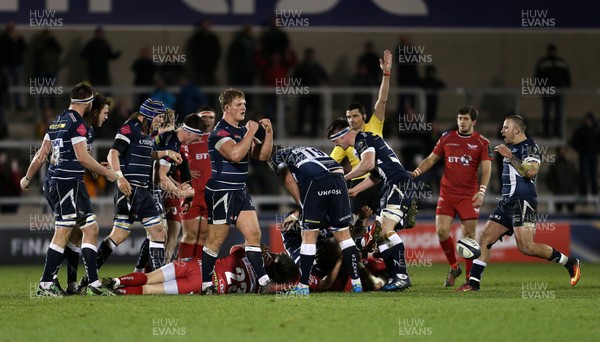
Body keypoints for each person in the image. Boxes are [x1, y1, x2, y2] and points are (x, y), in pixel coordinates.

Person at [457, 115, 581, 292]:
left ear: (517, 130)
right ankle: (473, 283)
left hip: (523, 201)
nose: (502, 131)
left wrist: (510, 155)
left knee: (527, 247)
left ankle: (570, 262)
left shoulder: (529, 147)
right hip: (506, 202)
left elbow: (530, 172)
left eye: (505, 127)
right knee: (485, 238)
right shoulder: (511, 147)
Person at [22, 93, 113, 295]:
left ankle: (76, 284)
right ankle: (47, 284)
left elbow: (51, 154)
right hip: (66, 182)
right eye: (105, 112)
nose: (106, 117)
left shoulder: (59, 121)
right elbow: (81, 158)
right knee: (66, 231)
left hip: (65, 181)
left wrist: (28, 177)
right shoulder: (81, 126)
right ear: (93, 109)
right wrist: (108, 174)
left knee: (84, 230)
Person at [92, 99, 178, 281]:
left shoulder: (147, 132)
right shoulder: (129, 128)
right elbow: (112, 153)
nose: (161, 121)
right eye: (159, 117)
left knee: (158, 231)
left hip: (144, 190)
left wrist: (166, 153)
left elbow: (147, 153)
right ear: (148, 114)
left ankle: (157, 279)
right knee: (120, 235)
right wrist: (120, 177)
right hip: (128, 188)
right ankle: (90, 277)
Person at [327, 119, 416, 291]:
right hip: (390, 184)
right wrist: (355, 190)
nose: (336, 145)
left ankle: (402, 276)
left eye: (335, 140)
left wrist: (342, 179)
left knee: (385, 230)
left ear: (343, 135)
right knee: (378, 234)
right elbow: (375, 174)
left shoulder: (362, 140)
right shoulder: (367, 140)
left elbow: (367, 165)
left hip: (398, 184)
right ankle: (394, 275)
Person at [200, 88, 275, 294]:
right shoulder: (219, 133)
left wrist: (268, 133)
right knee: (216, 240)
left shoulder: (242, 132)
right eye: (238, 104)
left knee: (253, 234)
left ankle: (264, 283)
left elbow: (263, 155)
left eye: (244, 103)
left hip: (240, 191)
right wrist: (251, 132)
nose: (243, 107)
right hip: (220, 192)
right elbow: (234, 154)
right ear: (226, 108)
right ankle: (206, 285)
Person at [409, 106, 492, 287]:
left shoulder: (481, 143)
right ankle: (454, 267)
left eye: (466, 119)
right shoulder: (447, 138)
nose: (462, 122)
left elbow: (486, 169)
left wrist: (482, 191)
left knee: (468, 236)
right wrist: (416, 172)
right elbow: (431, 159)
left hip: (468, 196)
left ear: (474, 122)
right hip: (447, 194)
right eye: (460, 118)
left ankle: (470, 276)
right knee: (441, 231)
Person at [268, 145, 363, 295]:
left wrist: (302, 208)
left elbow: (288, 181)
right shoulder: (302, 149)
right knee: (344, 236)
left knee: (308, 235)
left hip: (317, 179)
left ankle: (303, 286)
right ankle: (357, 283)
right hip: (339, 176)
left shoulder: (276, 156)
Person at [331, 49, 392, 231]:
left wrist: (386, 74)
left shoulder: (374, 125)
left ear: (364, 116)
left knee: (384, 227)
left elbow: (382, 100)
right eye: (348, 117)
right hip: (358, 183)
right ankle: (362, 258)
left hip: (379, 179)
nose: (351, 120)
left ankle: (381, 255)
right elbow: (331, 162)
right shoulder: (346, 139)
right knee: (359, 226)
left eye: (355, 116)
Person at [104, 244, 297, 295]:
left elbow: (234, 249)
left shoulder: (249, 255)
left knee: (148, 278)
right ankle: (116, 291)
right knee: (147, 290)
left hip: (198, 266)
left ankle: (117, 281)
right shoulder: (262, 287)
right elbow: (288, 286)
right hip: (202, 284)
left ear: (271, 260)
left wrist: (257, 249)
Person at [179, 106, 216, 258]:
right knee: (190, 234)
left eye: (210, 117)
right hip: (191, 192)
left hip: (211, 193)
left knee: (204, 236)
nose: (207, 120)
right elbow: (175, 159)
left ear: (215, 120)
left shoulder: (217, 139)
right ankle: (181, 269)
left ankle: (198, 272)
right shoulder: (188, 139)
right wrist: (186, 171)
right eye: (204, 117)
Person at [534, 44, 570, 138]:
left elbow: (566, 75)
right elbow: (538, 75)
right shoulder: (543, 63)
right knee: (546, 111)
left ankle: (557, 131)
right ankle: (546, 132)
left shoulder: (561, 62)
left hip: (558, 90)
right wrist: (539, 87)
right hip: (547, 89)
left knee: (558, 112)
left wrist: (567, 85)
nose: (552, 53)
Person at [292, 48, 328, 136]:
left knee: (315, 113)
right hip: (304, 93)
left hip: (315, 94)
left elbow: (325, 76)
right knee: (301, 113)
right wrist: (299, 87)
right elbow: (294, 78)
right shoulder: (301, 67)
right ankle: (300, 131)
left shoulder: (316, 66)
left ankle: (314, 131)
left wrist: (326, 84)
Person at [569, 112, 599, 198]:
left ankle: (594, 195)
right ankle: (583, 194)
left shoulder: (596, 130)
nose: (588, 122)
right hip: (584, 155)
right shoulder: (580, 130)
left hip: (593, 155)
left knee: (593, 176)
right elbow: (574, 142)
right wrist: (581, 150)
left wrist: (596, 150)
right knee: (584, 175)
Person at [545, 146, 577, 213]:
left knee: (572, 213)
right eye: (561, 151)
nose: (563, 153)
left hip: (569, 192)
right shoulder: (554, 165)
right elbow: (549, 179)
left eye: (565, 151)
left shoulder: (571, 165)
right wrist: (555, 189)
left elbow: (576, 178)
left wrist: (573, 188)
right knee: (558, 214)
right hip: (558, 193)